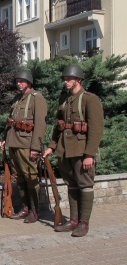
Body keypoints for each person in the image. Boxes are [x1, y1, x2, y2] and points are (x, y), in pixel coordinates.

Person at [43, 65, 104, 237]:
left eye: (69, 78)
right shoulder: (64, 99)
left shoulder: (90, 99)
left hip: (81, 150)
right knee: (72, 185)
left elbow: (96, 129)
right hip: (65, 150)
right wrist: (51, 146)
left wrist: (90, 154)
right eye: (64, 78)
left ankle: (84, 223)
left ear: (78, 80)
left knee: (85, 185)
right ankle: (74, 220)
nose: (66, 81)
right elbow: (59, 126)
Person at [0, 70, 47, 223]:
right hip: (14, 143)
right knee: (20, 177)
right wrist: (4, 138)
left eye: (22, 81)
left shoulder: (36, 98)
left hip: (27, 144)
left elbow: (40, 124)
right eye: (17, 81)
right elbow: (11, 121)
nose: (18, 83)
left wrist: (35, 147)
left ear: (29, 82)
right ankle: (25, 208)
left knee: (31, 176)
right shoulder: (18, 99)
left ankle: (34, 211)